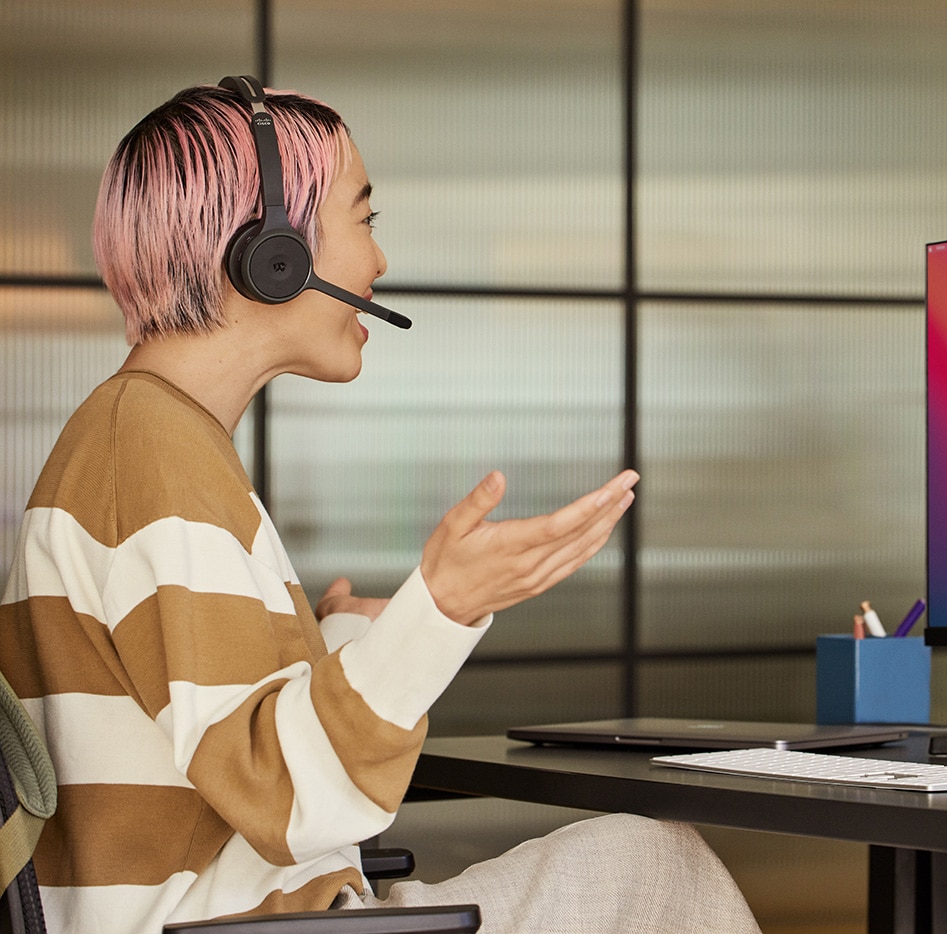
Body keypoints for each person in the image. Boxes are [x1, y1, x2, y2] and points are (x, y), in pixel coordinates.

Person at [0, 82, 759, 934]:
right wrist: (441, 610)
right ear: (271, 251)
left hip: (243, 913)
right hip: (243, 924)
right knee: (653, 868)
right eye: (364, 218)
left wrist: (343, 638)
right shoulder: (150, 451)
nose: (380, 261)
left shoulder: (142, 438)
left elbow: (235, 743)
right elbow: (288, 800)